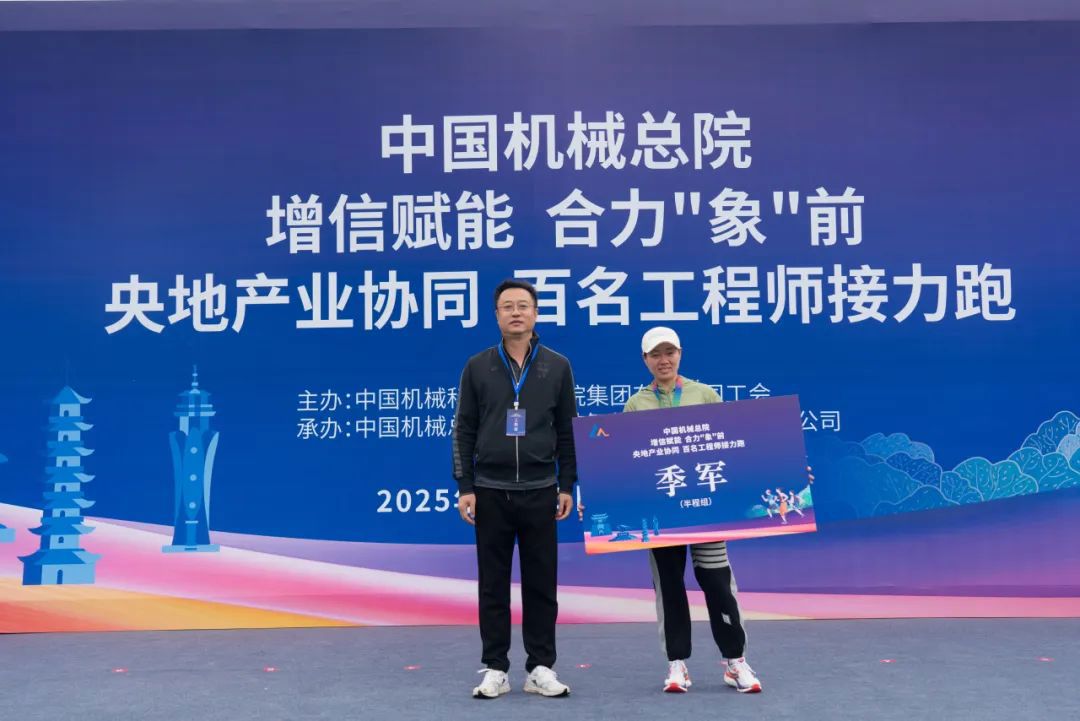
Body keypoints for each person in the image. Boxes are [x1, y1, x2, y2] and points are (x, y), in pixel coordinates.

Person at [452, 279, 578, 699]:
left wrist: (567, 484)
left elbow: (568, 430)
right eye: (507, 306)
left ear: (536, 313)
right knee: (493, 585)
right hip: (490, 490)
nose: (516, 313)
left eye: (523, 305)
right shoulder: (478, 366)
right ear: (497, 316)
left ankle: (541, 667)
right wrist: (465, 485)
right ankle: (495, 668)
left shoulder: (557, 366)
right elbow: (464, 429)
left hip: (542, 490)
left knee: (542, 584)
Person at [622, 326, 762, 695]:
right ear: (645, 360)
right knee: (669, 587)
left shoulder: (705, 394)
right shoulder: (635, 404)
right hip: (661, 517)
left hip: (707, 513)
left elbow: (736, 448)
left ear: (680, 354)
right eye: (655, 354)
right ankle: (677, 664)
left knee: (717, 583)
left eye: (669, 352)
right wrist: (601, 494)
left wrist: (784, 472)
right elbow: (623, 463)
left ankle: (735, 661)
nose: (663, 360)